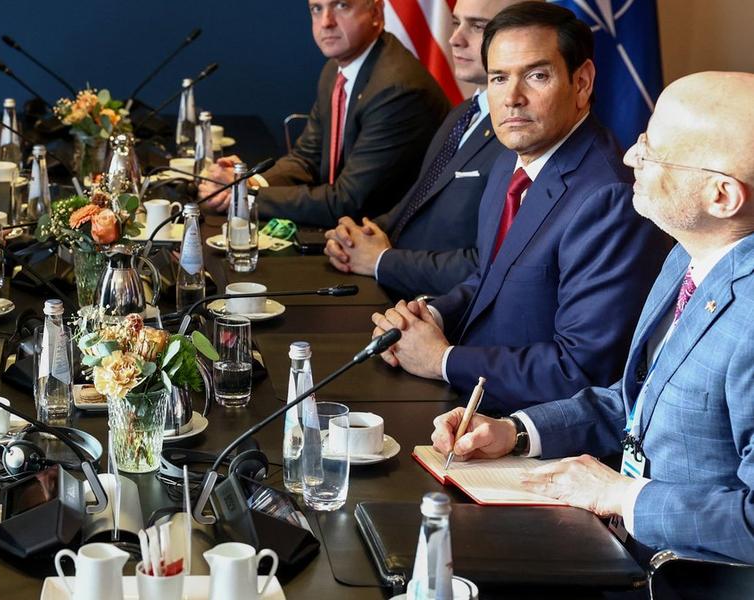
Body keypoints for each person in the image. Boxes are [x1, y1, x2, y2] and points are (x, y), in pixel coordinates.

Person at [432, 71, 754, 565]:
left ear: (722, 197)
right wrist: (515, 433)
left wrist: (621, 496)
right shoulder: (689, 256)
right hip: (618, 549)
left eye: (651, 152)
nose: (629, 157)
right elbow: (636, 402)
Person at [371, 2, 668, 412]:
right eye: (498, 77)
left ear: (581, 82)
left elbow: (581, 370)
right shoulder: (511, 163)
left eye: (536, 76)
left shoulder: (609, 198)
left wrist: (442, 360)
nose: (512, 98)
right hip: (472, 403)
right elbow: (488, 279)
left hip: (525, 428)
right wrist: (428, 317)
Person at [323, 0, 523, 298]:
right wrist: (354, 236)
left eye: (478, 26)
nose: (454, 39)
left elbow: (485, 266)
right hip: (397, 287)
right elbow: (414, 205)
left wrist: (381, 261)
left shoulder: (518, 134)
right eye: (455, 23)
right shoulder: (463, 113)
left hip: (436, 307)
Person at [199, 0, 449, 227]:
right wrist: (247, 181)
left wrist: (244, 195)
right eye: (317, 9)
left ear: (376, 13)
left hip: (391, 241)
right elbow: (307, 159)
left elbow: (347, 202)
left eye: (341, 6)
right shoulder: (335, 70)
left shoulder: (396, 90)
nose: (326, 22)